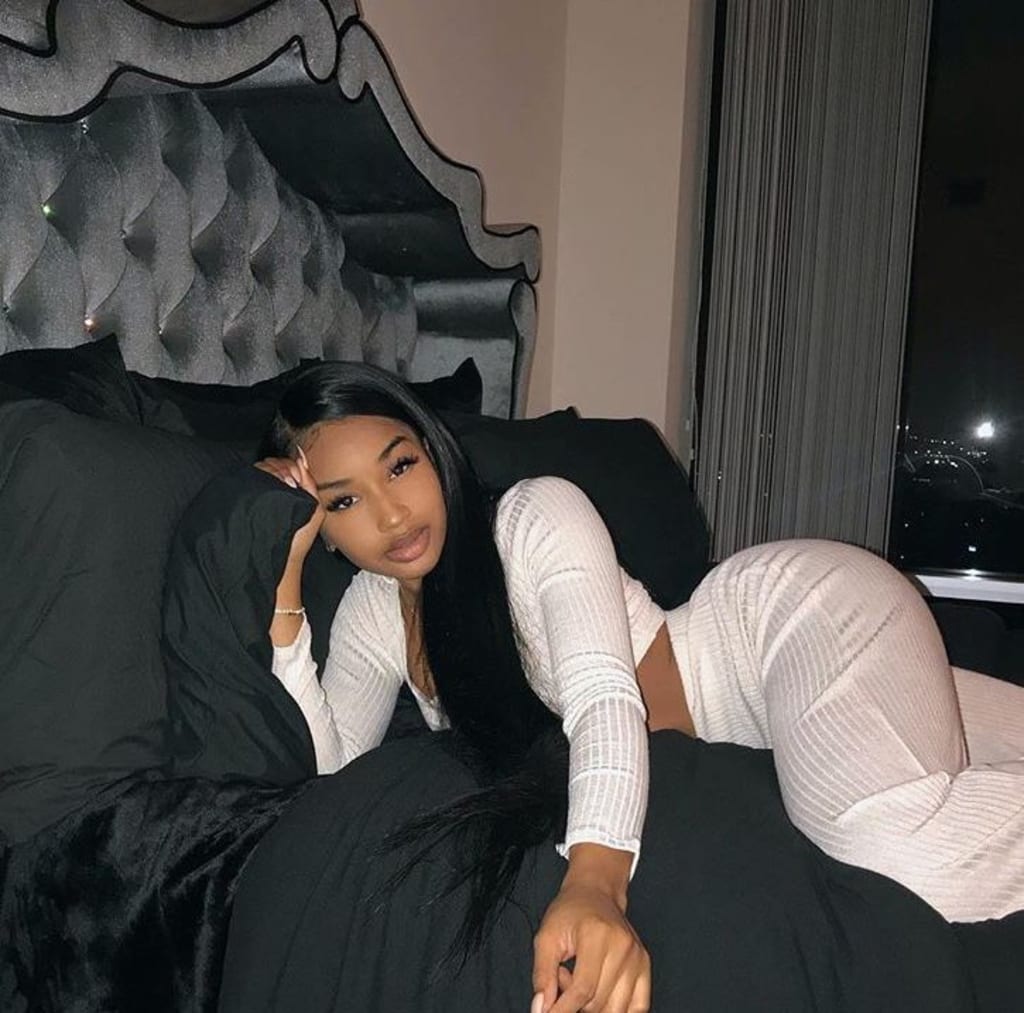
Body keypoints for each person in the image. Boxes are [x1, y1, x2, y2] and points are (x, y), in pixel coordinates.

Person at [258, 361, 1024, 1013]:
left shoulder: (531, 516)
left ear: (432, 451)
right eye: (343, 500)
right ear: (320, 526)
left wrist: (596, 884)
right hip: (788, 714)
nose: (392, 512)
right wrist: (284, 585)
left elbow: (603, 697)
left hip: (780, 624)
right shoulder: (371, 612)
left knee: (885, 854)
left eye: (399, 466)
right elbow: (332, 776)